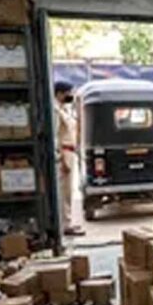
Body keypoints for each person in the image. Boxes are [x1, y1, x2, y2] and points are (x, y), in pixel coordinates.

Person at [54, 81, 85, 236]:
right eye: (68, 93)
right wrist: (61, 157)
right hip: (64, 153)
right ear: (60, 93)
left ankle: (68, 222)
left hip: (70, 152)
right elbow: (55, 136)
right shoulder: (55, 111)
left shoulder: (64, 109)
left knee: (68, 191)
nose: (70, 96)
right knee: (64, 192)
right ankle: (65, 225)